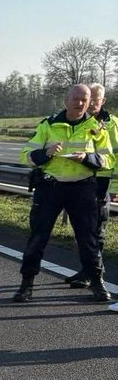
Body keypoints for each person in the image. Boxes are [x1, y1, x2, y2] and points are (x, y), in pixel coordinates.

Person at [15, 84, 111, 303]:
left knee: (89, 239)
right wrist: (46, 153)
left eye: (85, 99)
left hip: (83, 188)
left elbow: (108, 159)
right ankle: (26, 285)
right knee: (38, 237)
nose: (80, 103)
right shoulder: (48, 125)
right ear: (66, 101)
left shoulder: (96, 127)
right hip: (51, 187)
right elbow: (25, 155)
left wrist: (87, 158)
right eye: (76, 99)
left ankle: (97, 282)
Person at [64, 83, 117, 288]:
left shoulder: (111, 124)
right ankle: (86, 270)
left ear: (103, 101)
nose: (92, 103)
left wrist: (114, 188)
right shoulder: (81, 122)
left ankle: (95, 275)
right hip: (80, 183)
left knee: (96, 231)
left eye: (96, 99)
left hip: (101, 184)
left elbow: (114, 157)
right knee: (84, 231)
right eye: (89, 99)